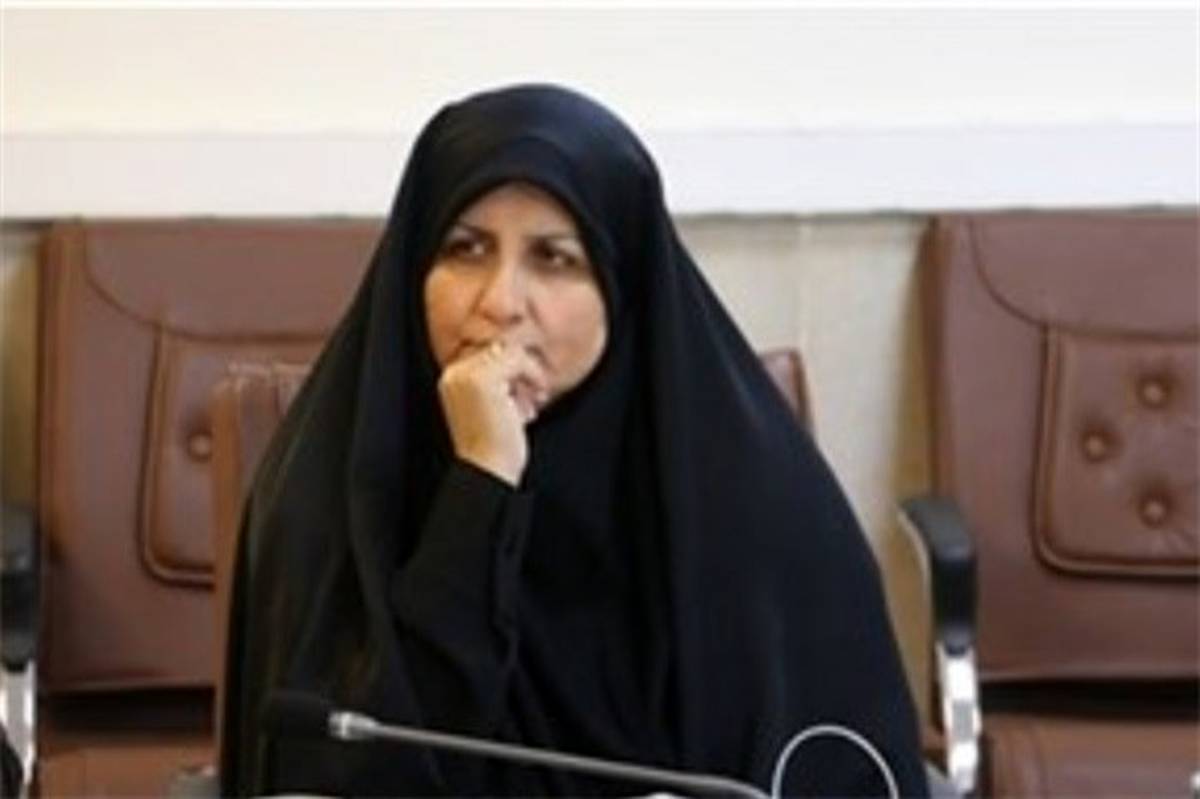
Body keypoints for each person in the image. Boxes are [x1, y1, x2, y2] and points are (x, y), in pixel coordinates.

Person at [219, 83, 929, 797]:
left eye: (554, 259)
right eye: (465, 249)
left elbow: (834, 767)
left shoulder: (752, 498)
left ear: (622, 287)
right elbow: (353, 771)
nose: (500, 301)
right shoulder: (328, 493)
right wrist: (480, 485)